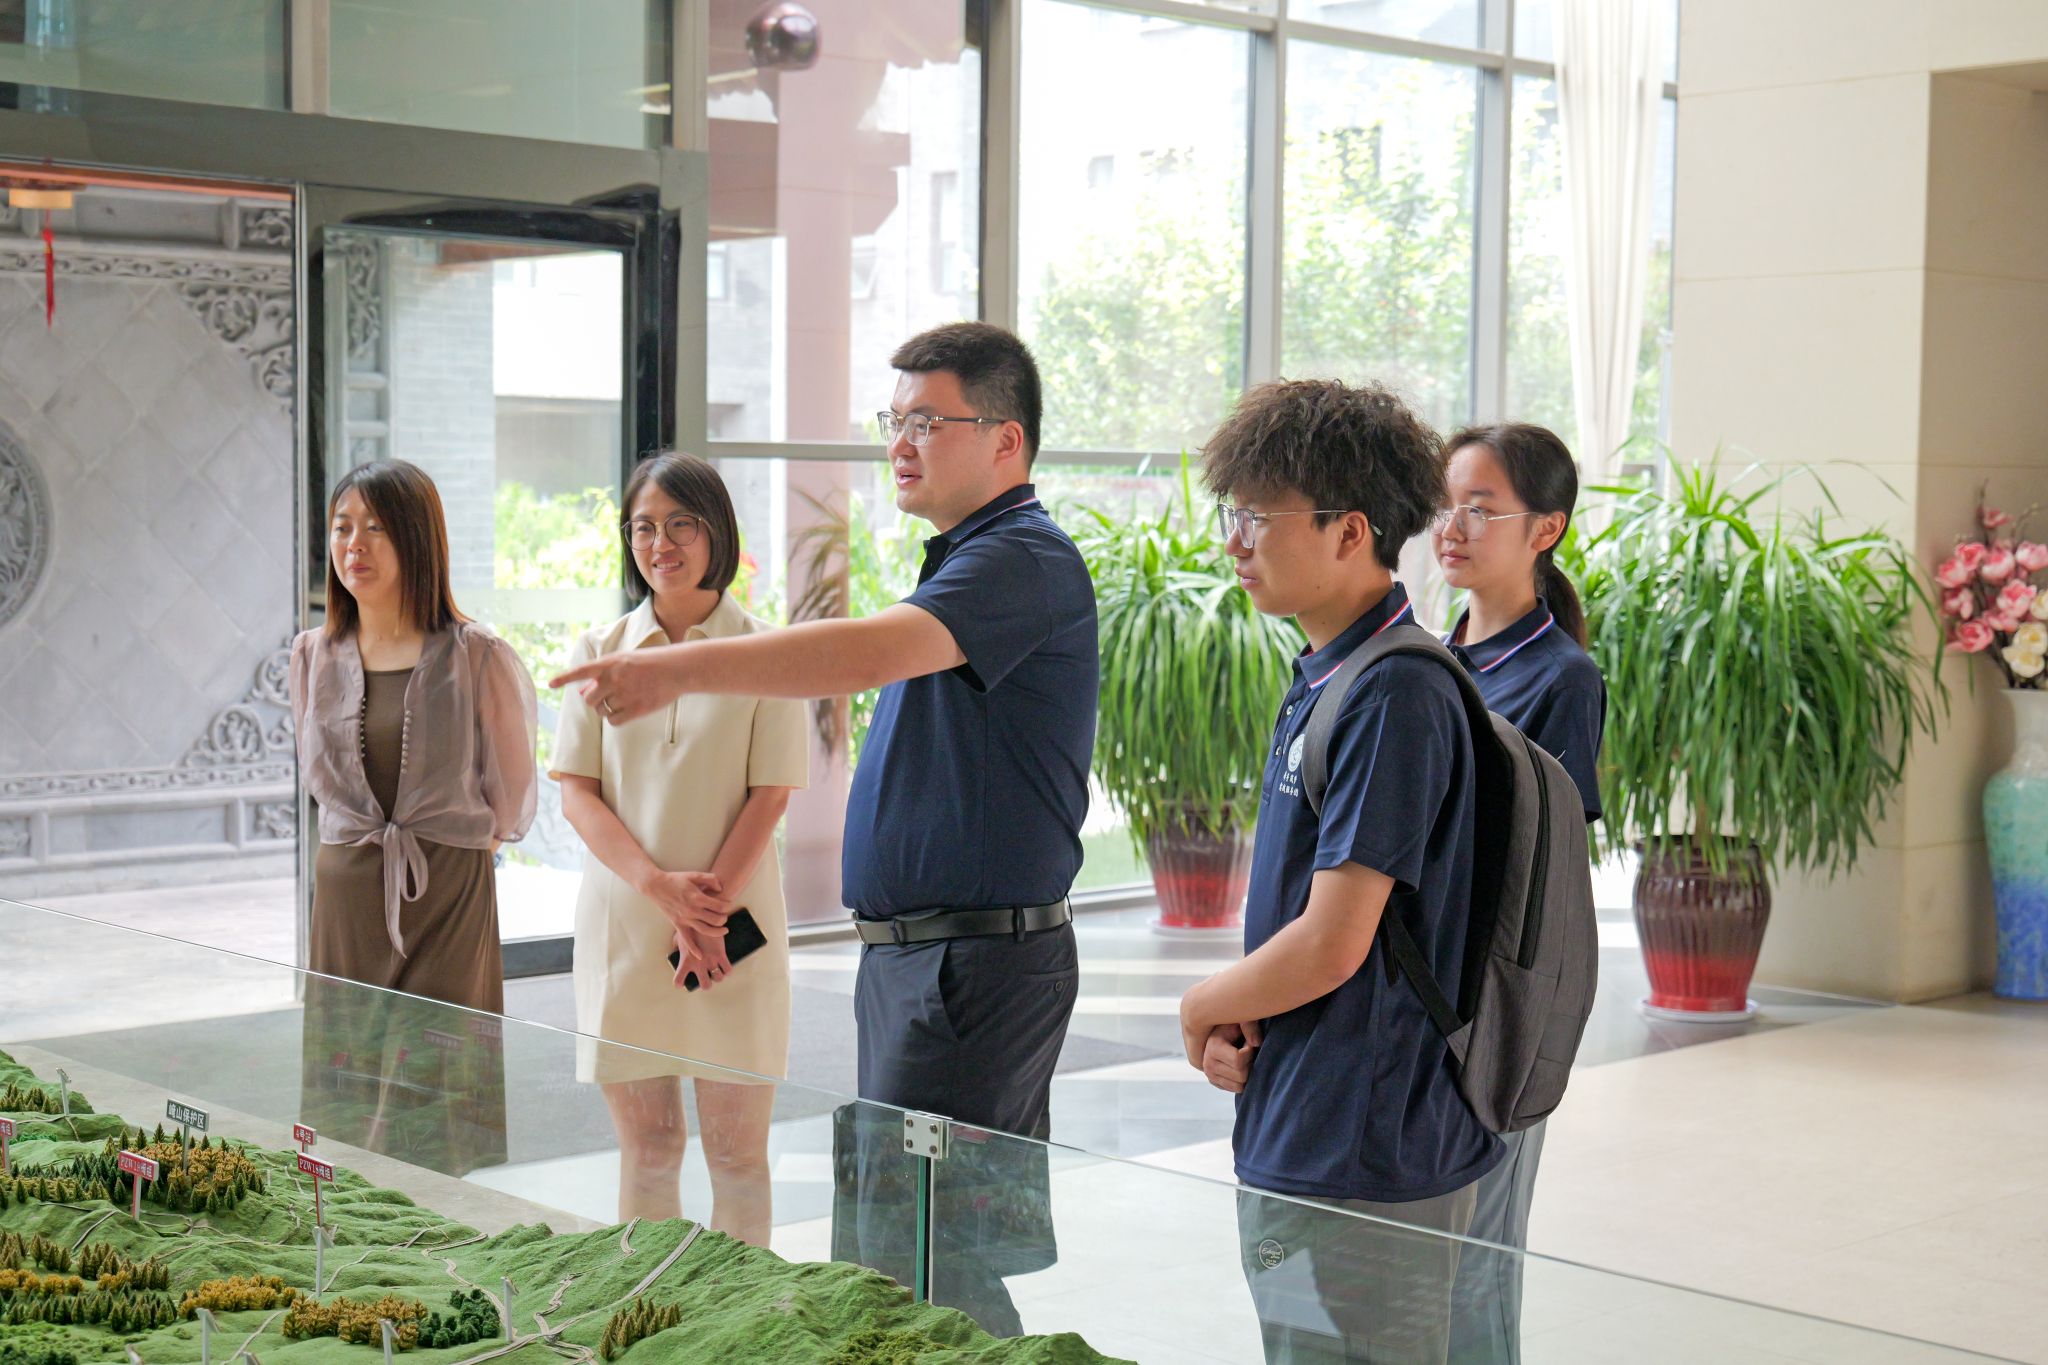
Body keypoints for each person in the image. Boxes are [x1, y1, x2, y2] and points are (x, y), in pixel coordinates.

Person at [551, 322, 1096, 1333]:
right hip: (923, 961)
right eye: (893, 420)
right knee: (903, 1253)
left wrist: (672, 667)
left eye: (925, 421)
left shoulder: (1021, 560)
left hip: (969, 966)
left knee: (930, 1263)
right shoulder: (965, 560)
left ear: (1005, 440)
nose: (899, 442)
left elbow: (860, 655)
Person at [1180, 379, 1502, 1365]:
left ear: (1348, 531)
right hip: (1307, 1123)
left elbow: (1332, 941)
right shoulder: (1330, 673)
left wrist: (1200, 1004)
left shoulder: (1395, 693)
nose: (1233, 541)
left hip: (1366, 1153)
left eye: (1256, 517)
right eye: (1230, 513)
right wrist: (1245, 1019)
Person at [551, 452, 809, 1242]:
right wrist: (659, 888)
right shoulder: (598, 647)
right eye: (643, 527)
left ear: (716, 531)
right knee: (651, 1149)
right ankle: (650, 1306)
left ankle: (735, 1313)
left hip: (734, 936)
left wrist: (704, 913)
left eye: (680, 524)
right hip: (628, 931)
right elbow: (576, 792)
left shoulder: (767, 650)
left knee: (738, 1158)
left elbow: (771, 793)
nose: (659, 543)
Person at [290, 459, 537, 1175]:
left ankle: (438, 1229)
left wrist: (456, 839)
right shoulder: (310, 655)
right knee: (348, 1087)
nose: (354, 545)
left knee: (431, 1091)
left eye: (376, 527)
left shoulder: (476, 655)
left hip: (445, 897)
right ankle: (351, 1231)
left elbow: (511, 794)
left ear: (417, 539)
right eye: (342, 527)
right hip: (345, 903)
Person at [1434, 423, 1606, 1365]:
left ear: (1546, 529)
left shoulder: (1561, 678)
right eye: (1446, 504)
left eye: (1481, 508)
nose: (1452, 526)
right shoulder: (1429, 659)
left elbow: (1546, 879)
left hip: (1491, 1010)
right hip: (1418, 996)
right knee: (1416, 1264)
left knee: (1479, 1267)